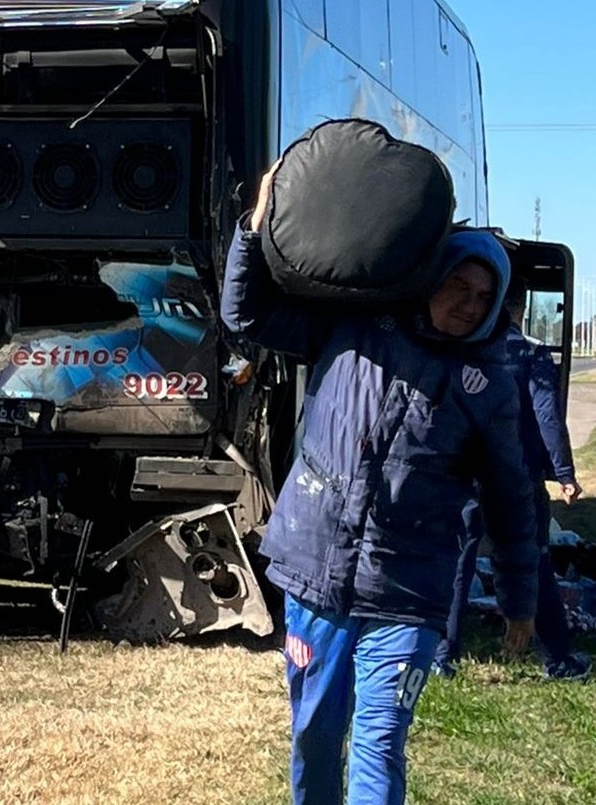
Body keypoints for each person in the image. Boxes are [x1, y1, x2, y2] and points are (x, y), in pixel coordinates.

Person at [221, 166, 541, 805]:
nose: (468, 303)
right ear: (428, 278)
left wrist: (519, 598)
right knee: (314, 731)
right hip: (317, 573)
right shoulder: (354, 329)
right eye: (457, 284)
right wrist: (253, 230)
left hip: (407, 590)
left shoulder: (488, 385)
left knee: (380, 736)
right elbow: (246, 313)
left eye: (483, 295)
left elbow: (510, 498)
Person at [434, 276, 590, 680]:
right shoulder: (533, 355)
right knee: (532, 559)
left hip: (465, 474)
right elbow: (547, 417)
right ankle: (556, 657)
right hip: (516, 476)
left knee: (458, 562)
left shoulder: (461, 349)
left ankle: (441, 658)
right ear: (520, 311)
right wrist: (564, 473)